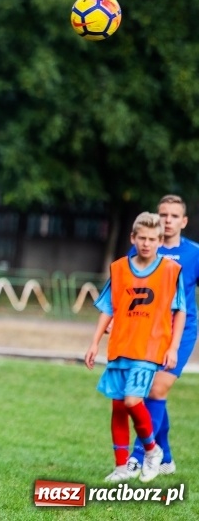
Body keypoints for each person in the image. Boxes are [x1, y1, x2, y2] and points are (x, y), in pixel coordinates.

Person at [84, 211, 185, 483]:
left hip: (149, 349)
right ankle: (120, 467)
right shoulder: (119, 268)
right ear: (133, 238)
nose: (147, 243)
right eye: (142, 238)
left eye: (153, 239)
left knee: (132, 401)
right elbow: (108, 308)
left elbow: (180, 311)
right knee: (118, 406)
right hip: (120, 346)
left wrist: (173, 348)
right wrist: (94, 342)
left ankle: (152, 451)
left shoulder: (170, 271)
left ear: (160, 240)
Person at [125, 195, 199, 477]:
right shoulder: (143, 252)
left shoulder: (194, 254)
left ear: (184, 221)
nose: (168, 220)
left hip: (181, 332)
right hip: (148, 333)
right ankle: (165, 456)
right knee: (151, 393)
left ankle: (138, 455)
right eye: (163, 214)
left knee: (156, 390)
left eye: (173, 216)